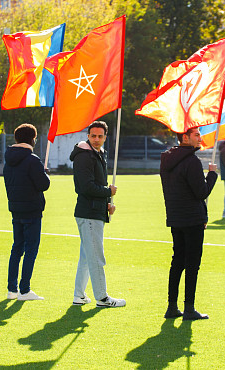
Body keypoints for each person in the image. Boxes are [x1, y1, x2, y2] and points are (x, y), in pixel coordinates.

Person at [160, 127, 218, 320]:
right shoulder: (191, 161)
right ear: (185, 137)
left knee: (177, 261)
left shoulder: (167, 159)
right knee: (192, 264)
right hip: (192, 219)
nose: (200, 138)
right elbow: (201, 192)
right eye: (196, 135)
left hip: (176, 217)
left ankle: (172, 306)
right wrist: (212, 175)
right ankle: (189, 308)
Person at [70, 121, 125, 308]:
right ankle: (102, 298)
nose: (96, 139)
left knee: (87, 256)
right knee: (96, 257)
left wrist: (107, 204)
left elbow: (98, 184)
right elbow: (85, 187)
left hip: (94, 212)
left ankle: (79, 295)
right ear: (88, 135)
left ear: (105, 137)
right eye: (93, 136)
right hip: (88, 214)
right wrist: (107, 192)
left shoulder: (99, 154)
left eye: (100, 136)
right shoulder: (85, 156)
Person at [3, 123, 51, 301]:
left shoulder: (8, 159)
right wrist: (44, 174)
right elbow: (43, 185)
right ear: (32, 139)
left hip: (16, 208)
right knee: (31, 249)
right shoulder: (32, 160)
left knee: (17, 248)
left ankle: (11, 289)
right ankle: (24, 289)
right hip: (32, 209)